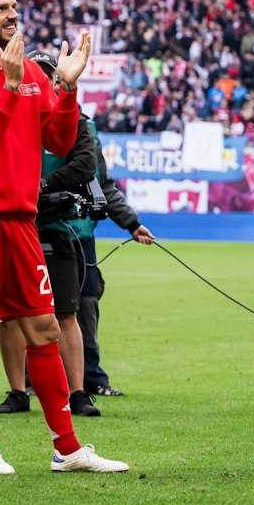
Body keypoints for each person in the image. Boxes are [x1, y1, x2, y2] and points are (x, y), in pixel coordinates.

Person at [0, 0, 127, 475]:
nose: (13, 15)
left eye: (14, 7)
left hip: (21, 219)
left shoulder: (31, 72)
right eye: (1, 8)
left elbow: (59, 138)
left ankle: (67, 448)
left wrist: (66, 88)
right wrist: (12, 86)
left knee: (43, 329)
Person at [0, 49, 99, 418]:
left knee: (66, 312)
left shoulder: (72, 118)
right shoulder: (10, 107)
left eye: (47, 73)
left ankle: (78, 392)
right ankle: (18, 390)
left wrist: (43, 184)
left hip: (54, 224)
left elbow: (86, 162)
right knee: (8, 314)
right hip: (12, 221)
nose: (42, 78)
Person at [74, 112, 153, 400]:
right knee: (42, 307)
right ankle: (32, 379)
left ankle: (91, 377)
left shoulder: (86, 126)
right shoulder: (31, 114)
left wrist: (131, 223)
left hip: (81, 232)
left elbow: (101, 184)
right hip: (41, 229)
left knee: (87, 302)